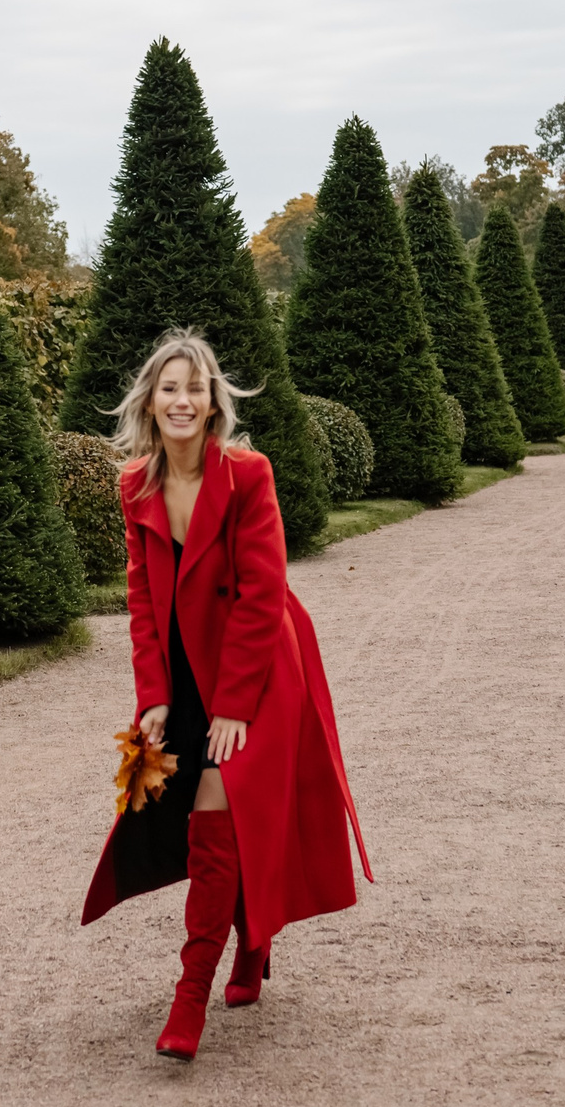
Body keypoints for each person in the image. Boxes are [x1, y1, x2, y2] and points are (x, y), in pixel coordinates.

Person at [82, 328, 370, 1061]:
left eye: (195, 388)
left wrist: (234, 706)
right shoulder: (134, 483)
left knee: (220, 801)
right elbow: (143, 598)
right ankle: (254, 940)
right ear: (151, 399)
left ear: (214, 403)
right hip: (183, 669)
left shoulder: (248, 474)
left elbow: (261, 591)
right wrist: (152, 693)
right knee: (196, 812)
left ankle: (191, 994)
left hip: (259, 666)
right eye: (169, 387)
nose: (182, 400)